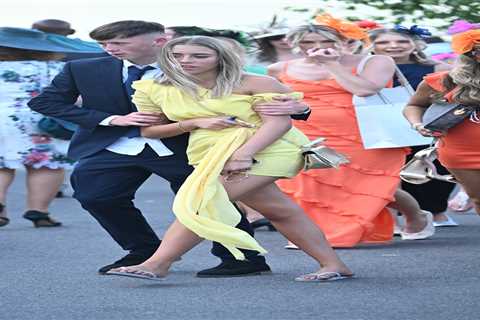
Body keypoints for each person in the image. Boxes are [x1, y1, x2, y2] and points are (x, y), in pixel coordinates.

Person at [28, 20, 310, 277]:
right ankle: (144, 250)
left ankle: (242, 258)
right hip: (115, 144)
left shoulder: (192, 63)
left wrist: (301, 108)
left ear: (158, 41)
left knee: (209, 199)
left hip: (188, 145)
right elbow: (45, 103)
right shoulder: (83, 68)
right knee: (95, 195)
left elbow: (255, 97)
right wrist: (112, 119)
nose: (109, 49)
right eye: (105, 43)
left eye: (119, 43)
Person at [106, 35, 353, 282]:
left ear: (221, 57)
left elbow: (278, 124)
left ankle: (157, 263)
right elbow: (148, 131)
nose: (186, 61)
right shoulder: (155, 88)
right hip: (209, 154)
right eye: (177, 55)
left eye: (199, 55)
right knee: (279, 210)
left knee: (205, 202)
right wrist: (193, 123)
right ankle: (333, 265)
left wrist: (243, 155)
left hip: (267, 148)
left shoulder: (256, 82)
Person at [269, 15, 434, 248]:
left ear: (342, 40)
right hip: (305, 133)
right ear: (296, 43)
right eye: (308, 42)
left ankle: (415, 216)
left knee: (372, 185)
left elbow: (363, 89)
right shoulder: (279, 68)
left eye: (326, 41)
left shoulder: (375, 61)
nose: (317, 47)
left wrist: (332, 64)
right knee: (312, 184)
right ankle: (322, 234)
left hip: (366, 133)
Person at [369, 26, 457, 227]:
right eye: (384, 42)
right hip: (378, 126)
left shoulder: (437, 68)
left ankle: (435, 211)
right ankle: (406, 213)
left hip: (425, 124)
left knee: (431, 166)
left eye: (401, 41)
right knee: (391, 171)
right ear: (372, 46)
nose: (393, 46)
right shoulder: (362, 69)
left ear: (415, 44)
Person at [0, 27, 73, 228]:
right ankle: (39, 211)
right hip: (39, 120)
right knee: (47, 163)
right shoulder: (55, 68)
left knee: (2, 163)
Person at [403, 27, 480, 215]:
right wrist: (418, 124)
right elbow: (414, 106)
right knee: (478, 197)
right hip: (462, 152)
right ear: (473, 54)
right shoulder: (443, 81)